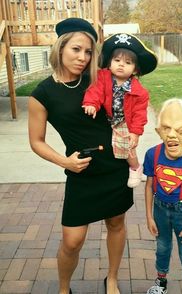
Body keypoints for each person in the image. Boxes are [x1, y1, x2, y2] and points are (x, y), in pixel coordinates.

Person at [28, 17, 134, 294]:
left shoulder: (100, 78)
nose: (83, 57)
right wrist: (64, 162)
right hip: (80, 172)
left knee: (116, 223)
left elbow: (132, 77)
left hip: (114, 167)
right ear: (61, 47)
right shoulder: (43, 94)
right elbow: (36, 142)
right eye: (76, 49)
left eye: (88, 52)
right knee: (72, 241)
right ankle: (64, 288)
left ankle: (111, 278)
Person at [143, 98, 182, 294]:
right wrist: (149, 216)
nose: (172, 135)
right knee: (162, 248)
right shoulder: (152, 155)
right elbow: (149, 186)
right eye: (166, 129)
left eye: (180, 131)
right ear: (158, 131)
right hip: (160, 209)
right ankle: (161, 281)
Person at [82, 33, 158, 188]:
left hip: (125, 121)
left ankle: (135, 167)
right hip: (107, 118)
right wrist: (91, 103)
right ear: (109, 63)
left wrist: (135, 132)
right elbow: (95, 90)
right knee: (105, 144)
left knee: (127, 147)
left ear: (135, 70)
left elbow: (139, 114)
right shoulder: (103, 77)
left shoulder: (140, 92)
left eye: (127, 62)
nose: (121, 65)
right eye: (117, 60)